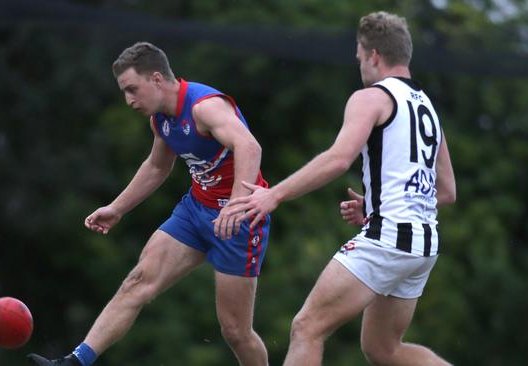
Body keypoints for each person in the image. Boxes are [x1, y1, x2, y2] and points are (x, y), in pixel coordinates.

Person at [224, 11, 456, 365]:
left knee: (306, 327)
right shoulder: (428, 109)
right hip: (423, 245)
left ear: (374, 55)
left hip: (389, 238)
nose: (360, 64)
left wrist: (274, 194)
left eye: (360, 57)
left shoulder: (371, 98)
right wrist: (377, 202)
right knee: (383, 349)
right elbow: (447, 191)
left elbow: (337, 159)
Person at [27, 42, 271, 366]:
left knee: (236, 332)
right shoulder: (161, 119)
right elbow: (157, 167)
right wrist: (117, 208)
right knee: (137, 281)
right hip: (196, 210)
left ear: (156, 79)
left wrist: (237, 204)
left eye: (132, 89)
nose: (128, 101)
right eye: (124, 93)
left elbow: (250, 147)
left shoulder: (204, 107)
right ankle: (74, 362)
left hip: (239, 220)